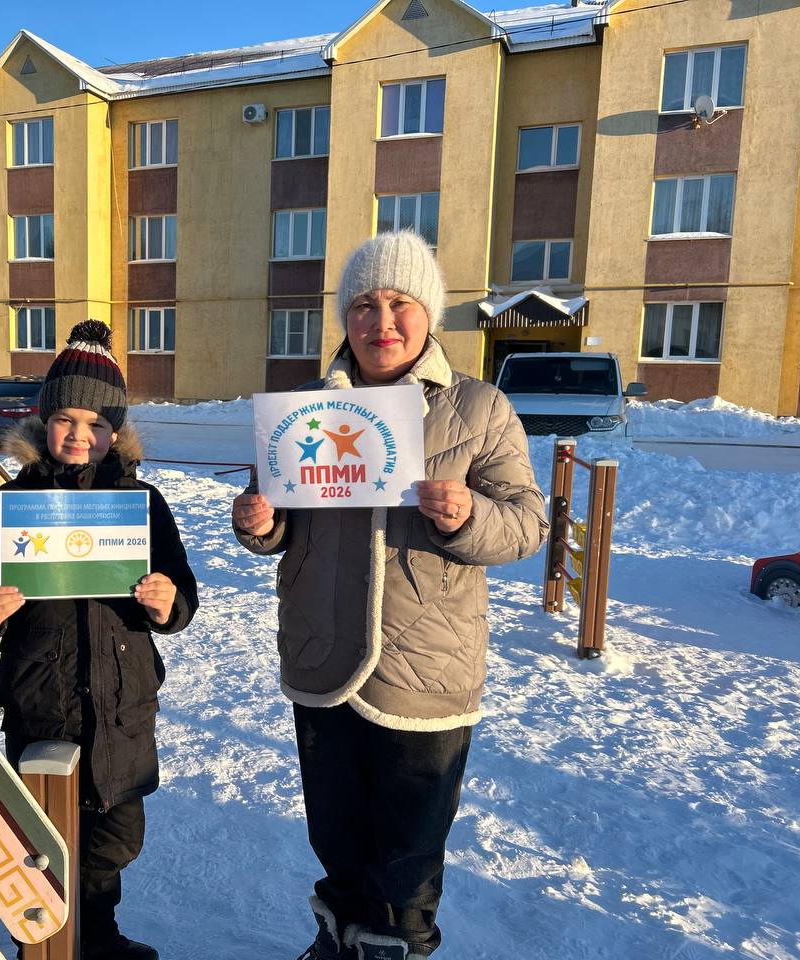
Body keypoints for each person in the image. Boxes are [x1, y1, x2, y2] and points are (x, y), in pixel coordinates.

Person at [231, 232, 548, 960]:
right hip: (322, 653)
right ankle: (338, 939)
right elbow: (275, 521)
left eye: (400, 303)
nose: (382, 322)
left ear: (428, 313)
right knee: (336, 833)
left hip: (426, 668)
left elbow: (527, 524)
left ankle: (393, 947)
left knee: (409, 850)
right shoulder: (304, 410)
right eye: (365, 305)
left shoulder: (479, 407)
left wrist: (468, 515)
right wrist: (258, 521)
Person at [0, 320, 198, 960]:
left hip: (122, 703)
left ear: (115, 430)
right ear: (44, 421)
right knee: (42, 836)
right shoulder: (10, 504)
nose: (78, 434)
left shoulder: (142, 503)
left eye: (95, 423)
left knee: (114, 834)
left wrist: (168, 603)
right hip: (41, 696)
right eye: (65, 418)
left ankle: (99, 936)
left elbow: (183, 593)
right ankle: (41, 942)